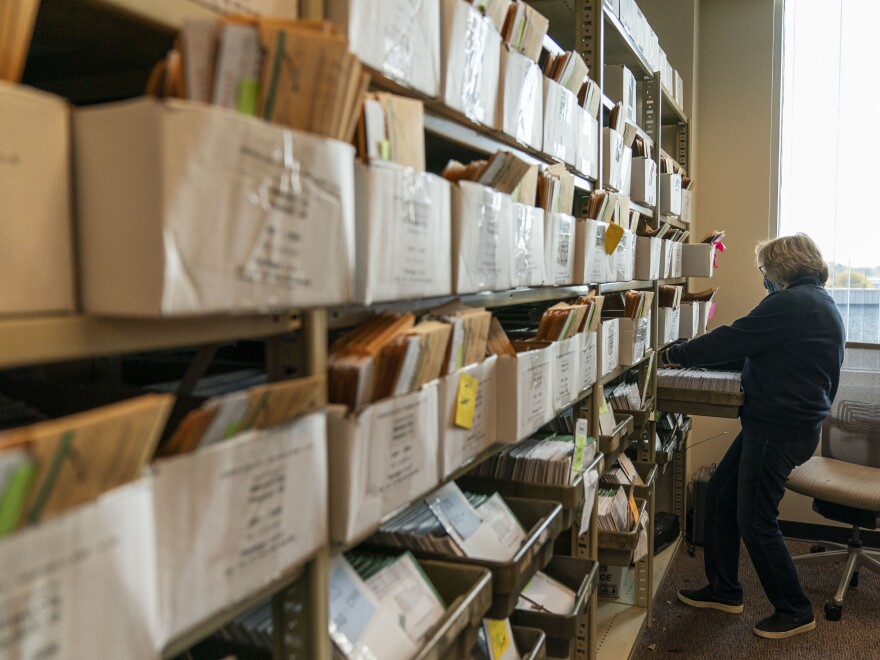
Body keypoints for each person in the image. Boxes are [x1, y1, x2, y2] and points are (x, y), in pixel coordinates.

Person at [659, 233, 845, 639]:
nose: (764, 278)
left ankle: (795, 609)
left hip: (777, 428)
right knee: (723, 496)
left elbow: (735, 337)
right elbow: (751, 348)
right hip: (785, 424)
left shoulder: (790, 303)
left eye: (764, 270)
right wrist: (702, 362)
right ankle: (724, 590)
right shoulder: (816, 302)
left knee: (756, 520)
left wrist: (676, 354)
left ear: (781, 267)